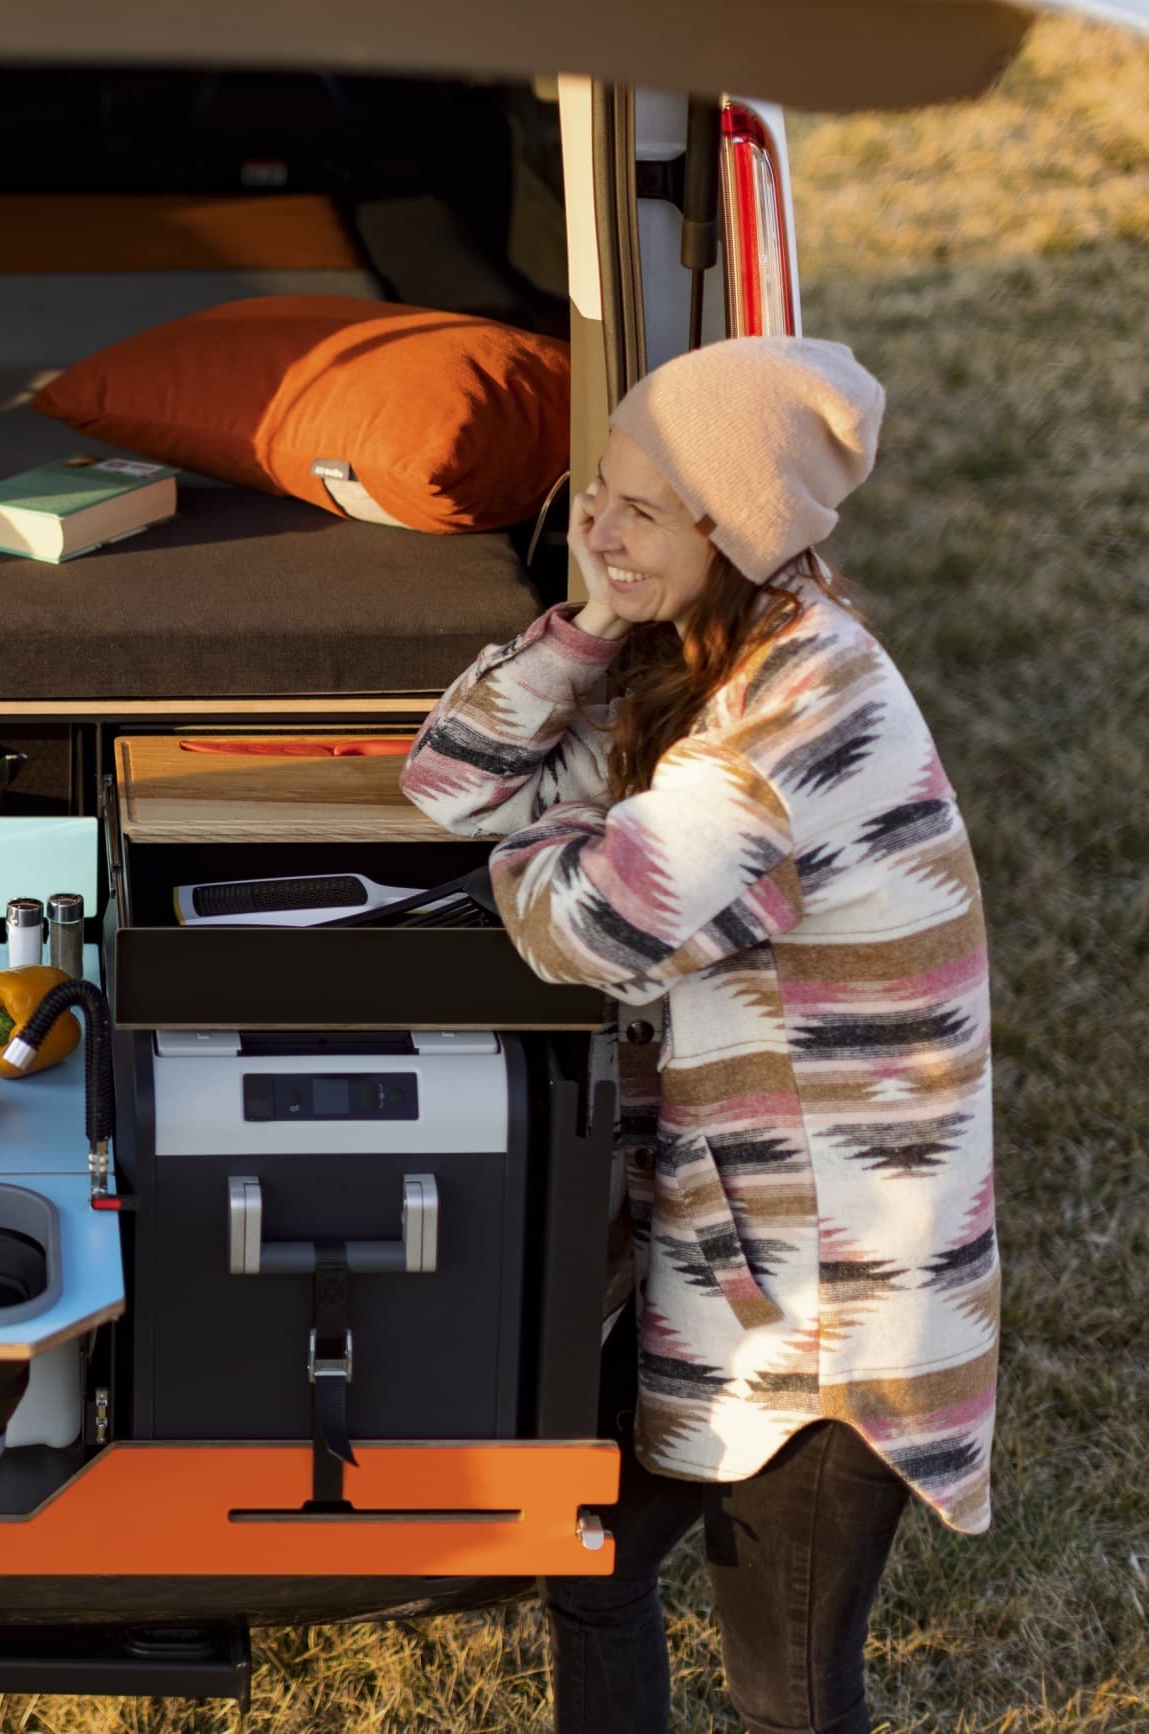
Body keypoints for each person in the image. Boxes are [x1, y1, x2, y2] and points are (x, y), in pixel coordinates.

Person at [401, 337, 997, 1734]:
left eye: (643, 512)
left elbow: (590, 928)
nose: (598, 529)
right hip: (742, 1253)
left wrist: (550, 844)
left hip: (835, 1303)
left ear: (733, 533)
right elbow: (447, 779)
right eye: (595, 492)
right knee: (590, 1549)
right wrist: (583, 626)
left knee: (785, 1689)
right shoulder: (706, 657)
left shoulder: (797, 710)